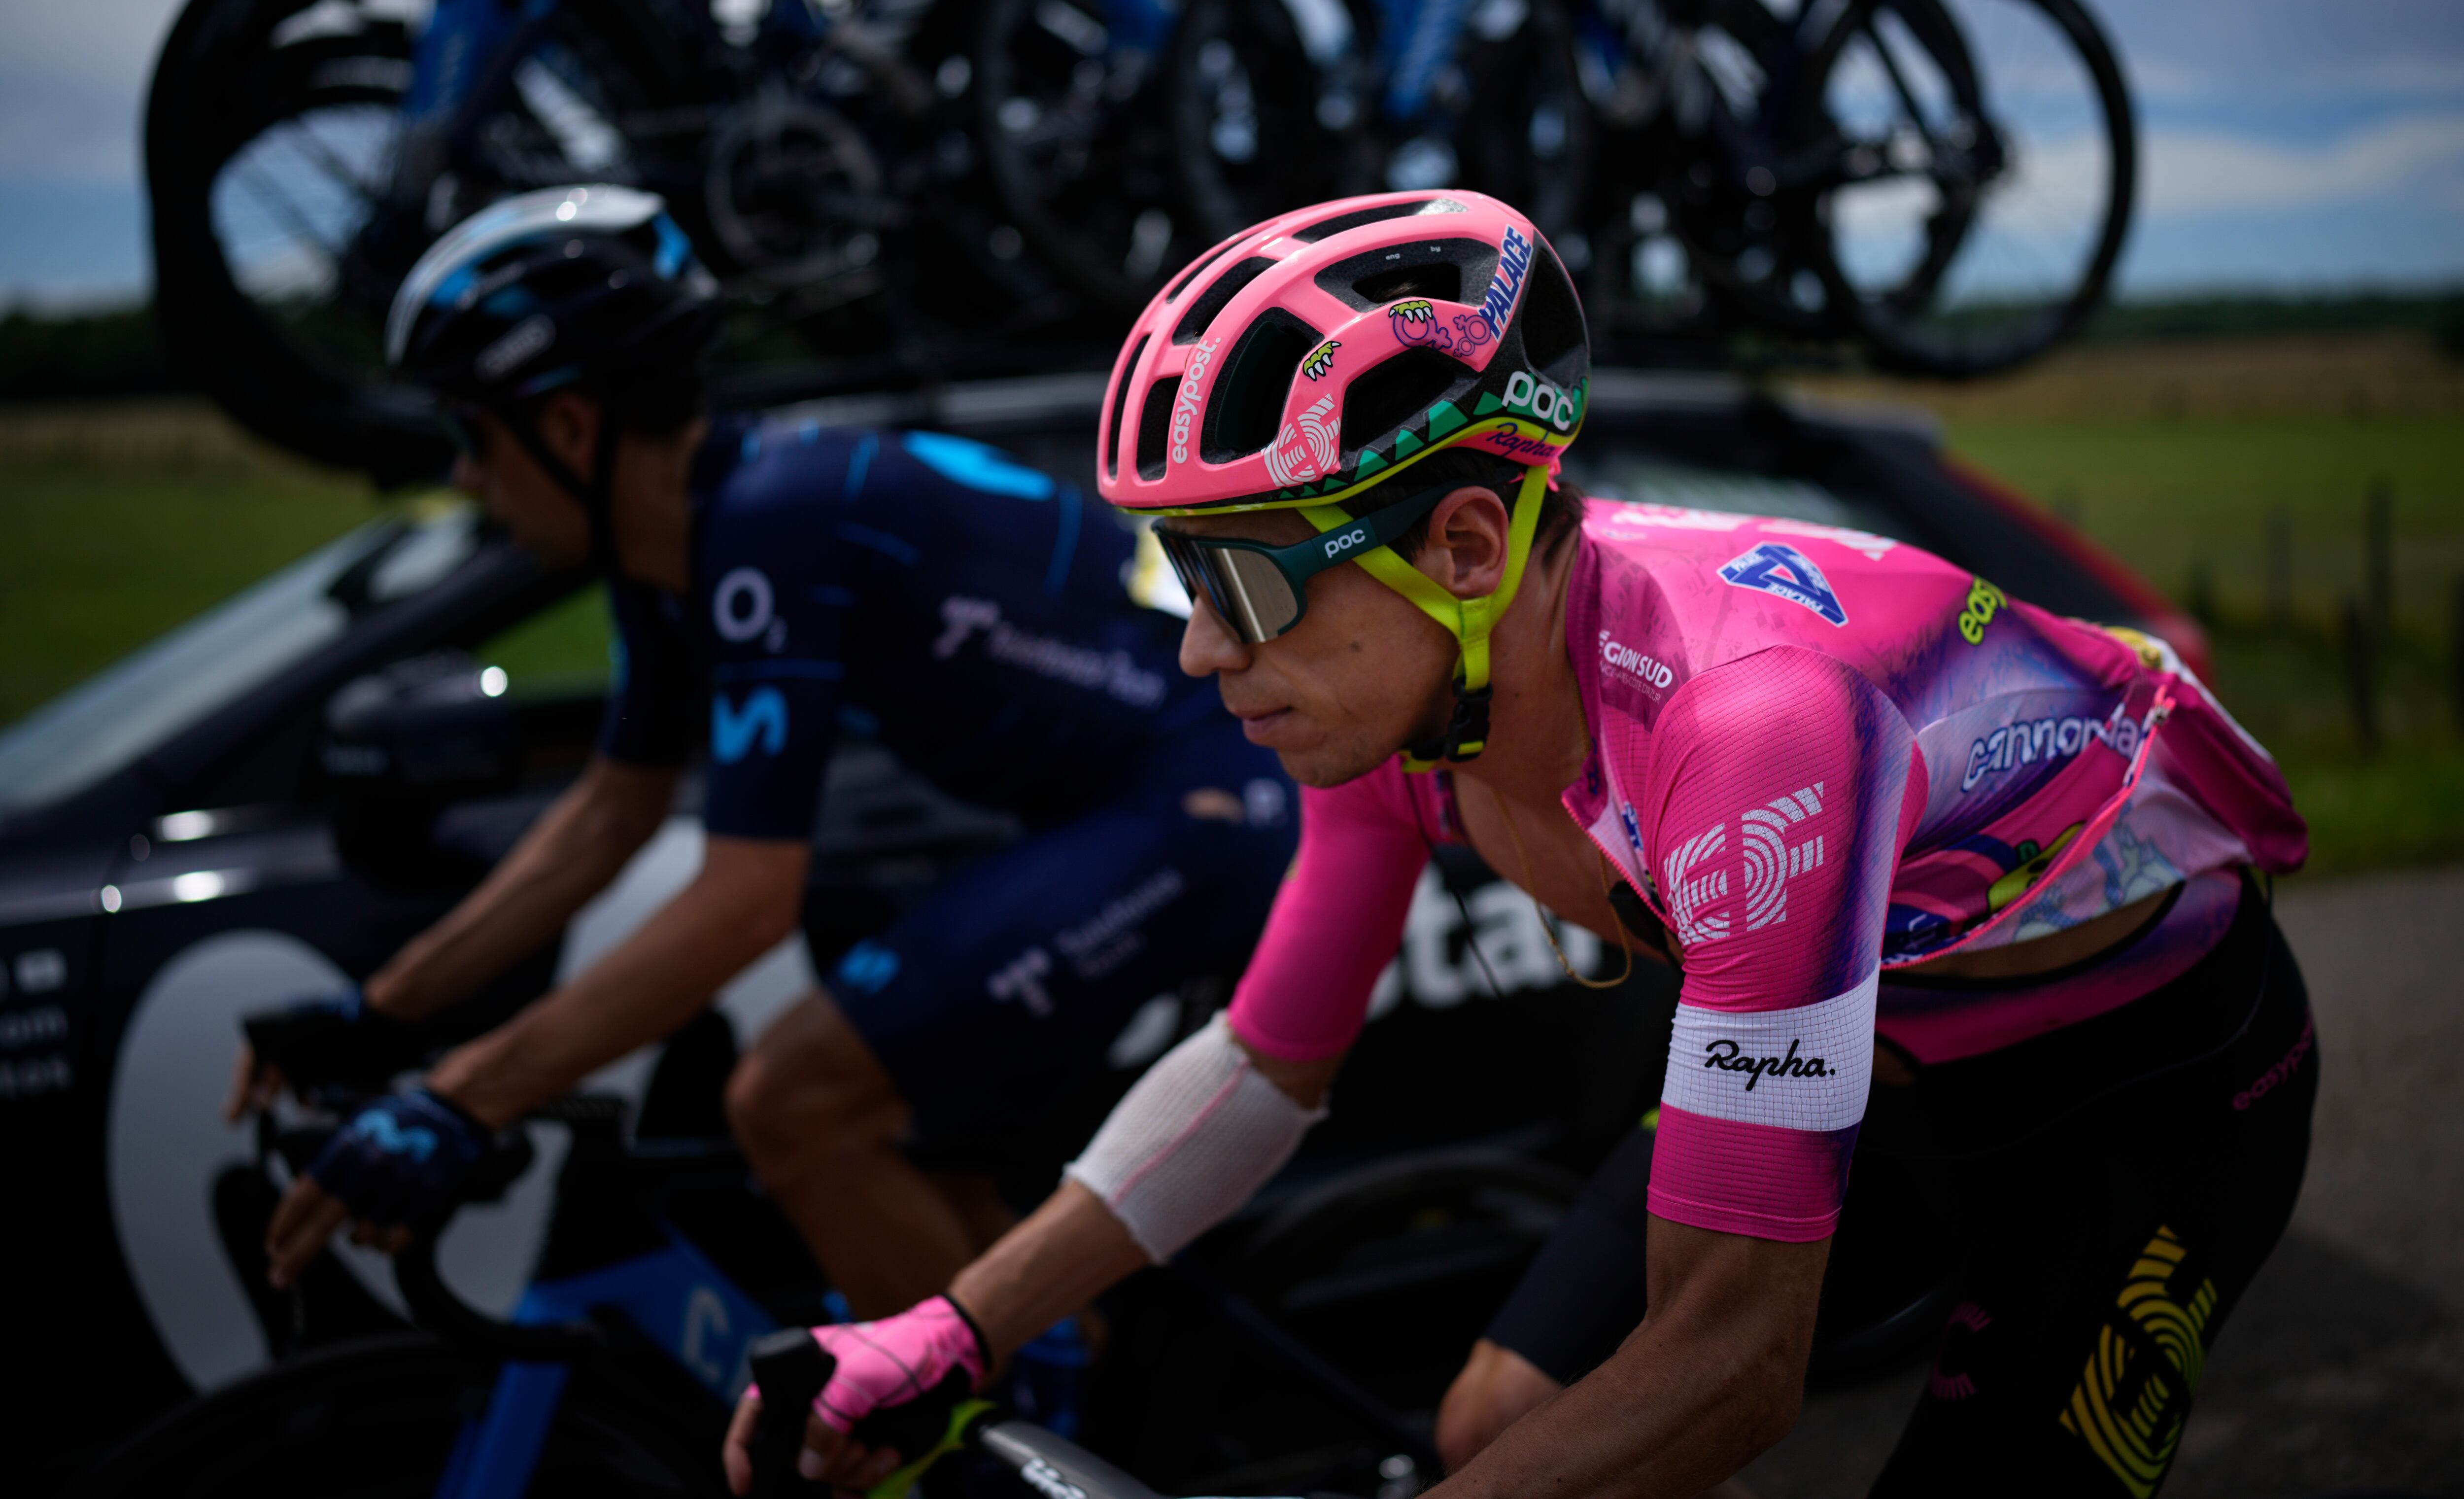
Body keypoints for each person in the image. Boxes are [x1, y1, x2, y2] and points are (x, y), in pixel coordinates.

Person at [722, 188, 2316, 1498]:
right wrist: (948, 1328)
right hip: (1884, 1046)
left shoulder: (1748, 732)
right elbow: (1266, 1068)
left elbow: (1733, 1366)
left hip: (2140, 1094)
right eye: (1175, 576)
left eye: (1245, 587)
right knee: (1496, 1432)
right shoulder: (1413, 694)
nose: (1201, 651)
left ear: (1466, 546)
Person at [227, 186, 1297, 1324]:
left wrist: (459, 1098)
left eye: (471, 436)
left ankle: (964, 1443)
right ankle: (1053, 1411)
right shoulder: (678, 546)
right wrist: (382, 1016)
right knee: (914, 1169)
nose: (464, 479)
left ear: (572, 426)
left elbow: (745, 902)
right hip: (1119, 801)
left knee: (793, 1102)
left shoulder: (767, 523)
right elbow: (608, 813)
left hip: (1202, 798)